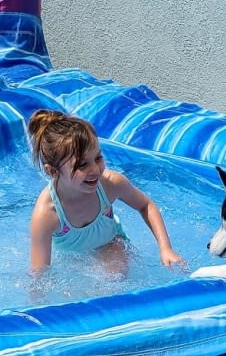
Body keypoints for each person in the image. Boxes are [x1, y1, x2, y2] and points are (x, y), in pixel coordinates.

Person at [28, 109, 184, 273]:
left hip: (111, 245)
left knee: (113, 277)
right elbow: (39, 275)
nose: (95, 169)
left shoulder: (110, 184)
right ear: (53, 171)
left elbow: (146, 205)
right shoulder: (47, 215)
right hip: (74, 262)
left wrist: (165, 249)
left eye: (98, 158)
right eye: (82, 165)